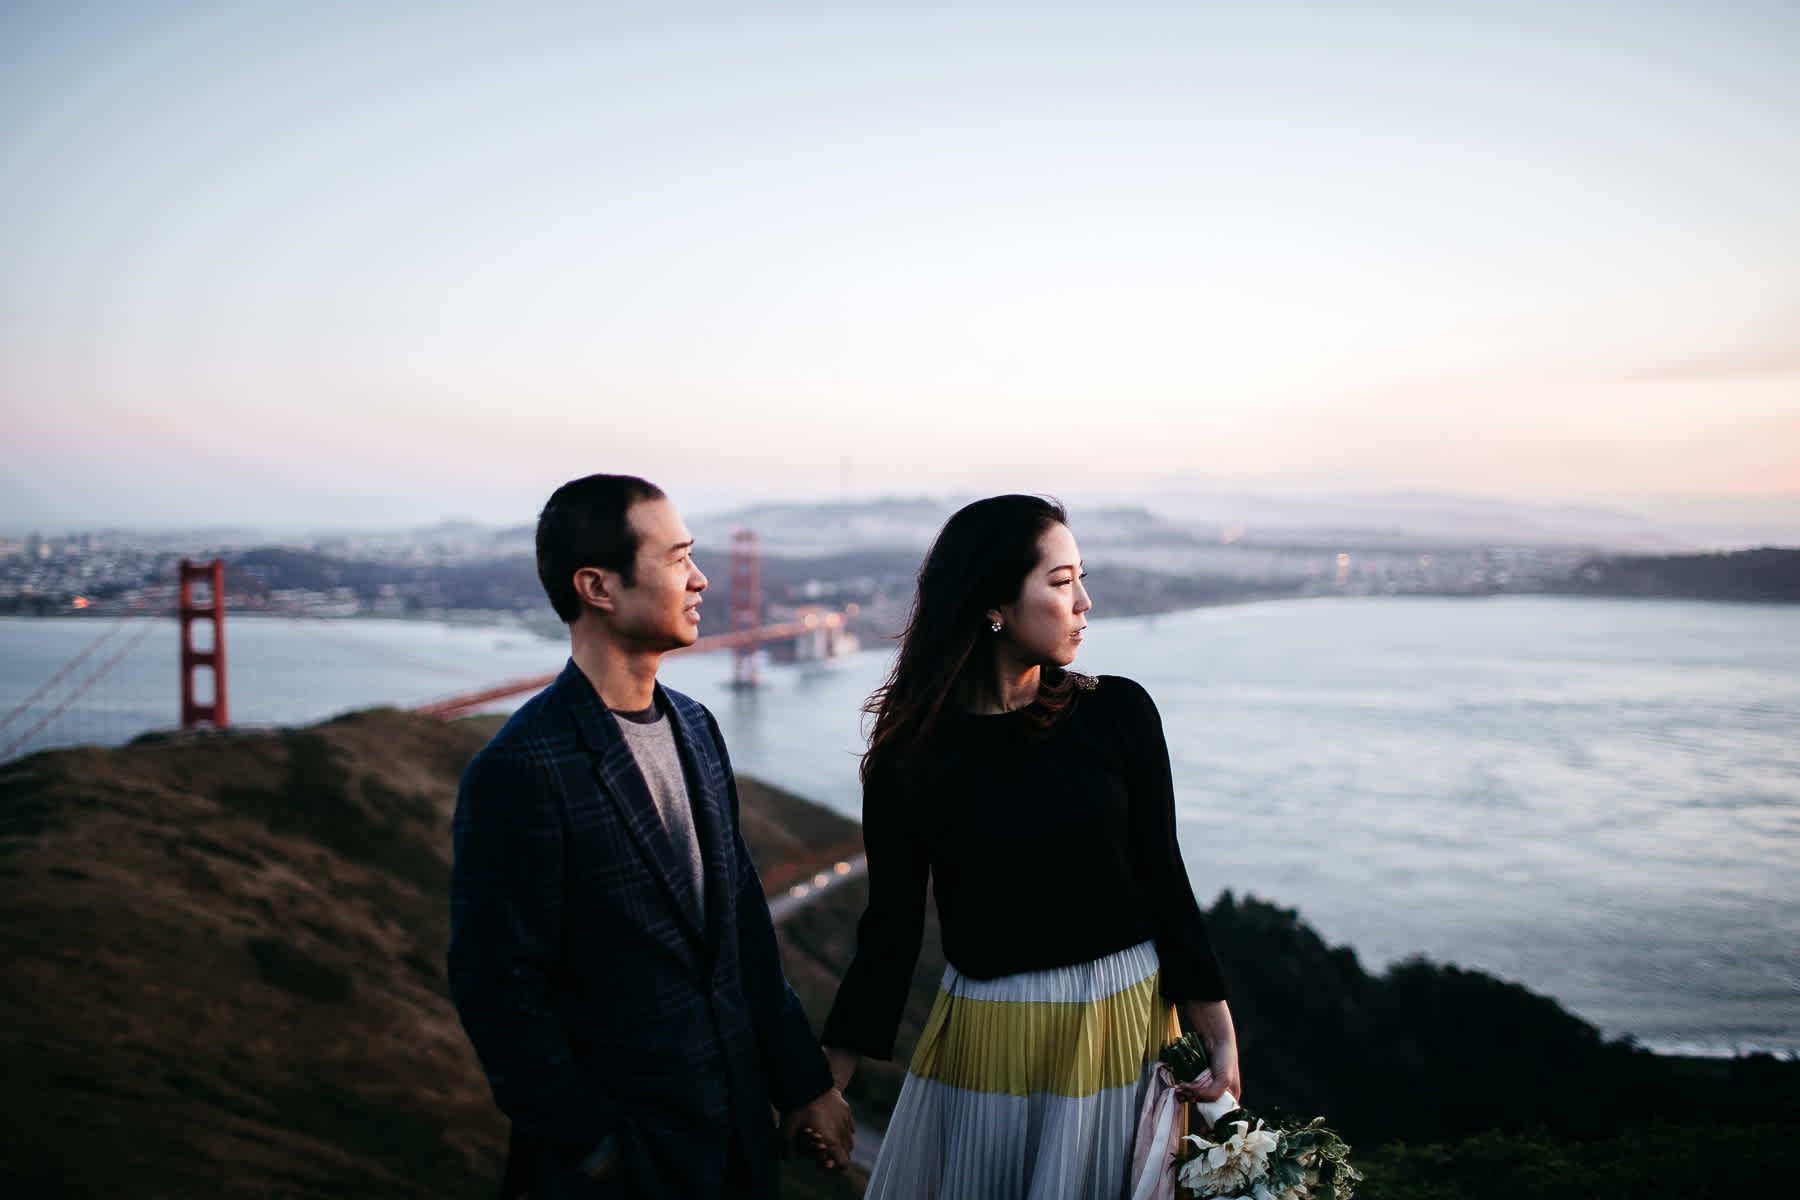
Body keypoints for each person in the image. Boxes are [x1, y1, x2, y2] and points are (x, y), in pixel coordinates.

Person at [817, 494, 1242, 1197]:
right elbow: (889, 931)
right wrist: (825, 1084)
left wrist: (1216, 1026)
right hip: (991, 1041)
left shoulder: (1119, 713)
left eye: (1081, 577)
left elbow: (1163, 873)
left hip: (1126, 1029)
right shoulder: (910, 757)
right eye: (1060, 581)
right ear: (993, 602)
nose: (1085, 601)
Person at [448, 473, 853, 1199]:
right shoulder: (518, 770)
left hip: (737, 1146)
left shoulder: (698, 728)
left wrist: (804, 1083)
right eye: (677, 559)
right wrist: (596, 1147)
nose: (700, 580)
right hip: (620, 1167)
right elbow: (498, 991)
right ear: (598, 587)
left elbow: (743, 934)